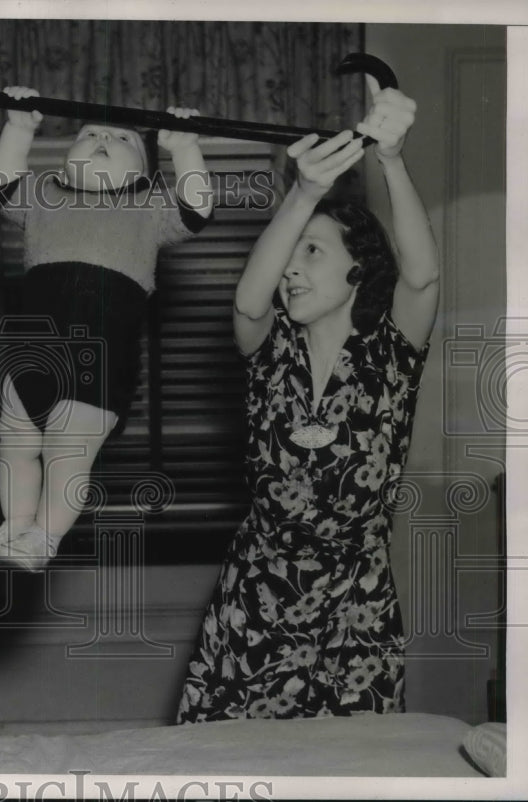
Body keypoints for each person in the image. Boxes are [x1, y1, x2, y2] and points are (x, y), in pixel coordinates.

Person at [177, 78, 438, 723]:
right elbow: (247, 299)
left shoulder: (392, 352)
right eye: (287, 253)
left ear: (359, 269)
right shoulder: (269, 353)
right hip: (255, 605)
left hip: (359, 609)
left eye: (312, 251)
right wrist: (304, 194)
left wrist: (393, 160)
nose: (290, 268)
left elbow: (423, 274)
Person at [0, 86, 214, 571]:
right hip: (28, 346)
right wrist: (19, 129)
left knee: (67, 450)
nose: (102, 137)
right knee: (15, 441)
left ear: (145, 171)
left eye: (121, 138)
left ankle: (44, 537)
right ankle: (15, 525)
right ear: (64, 161)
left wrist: (185, 147)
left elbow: (197, 209)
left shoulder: (151, 207)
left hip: (98, 354)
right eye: (90, 134)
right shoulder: (43, 194)